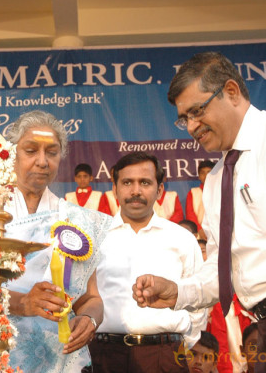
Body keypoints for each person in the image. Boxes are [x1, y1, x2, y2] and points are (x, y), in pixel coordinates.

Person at [132, 51, 266, 373]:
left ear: (232, 92)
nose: (192, 126)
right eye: (184, 118)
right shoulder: (217, 179)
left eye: (197, 111)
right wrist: (179, 291)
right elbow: (225, 268)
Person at [0, 110, 110, 373]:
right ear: (13, 153)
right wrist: (23, 304)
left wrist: (89, 319)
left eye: (52, 152)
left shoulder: (70, 218)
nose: (42, 161)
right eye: (31, 150)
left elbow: (90, 297)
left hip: (49, 355)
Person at [90, 152, 206, 373]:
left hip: (165, 357)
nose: (136, 191)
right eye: (127, 182)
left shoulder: (181, 238)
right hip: (105, 357)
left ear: (160, 190)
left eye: (145, 182)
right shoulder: (95, 238)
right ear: (115, 189)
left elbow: (199, 299)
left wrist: (182, 343)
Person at [185, 160, 216, 240]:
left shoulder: (220, 191)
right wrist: (199, 229)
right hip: (199, 232)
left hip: (217, 230)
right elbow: (190, 213)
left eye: (209, 172)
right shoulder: (193, 192)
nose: (206, 176)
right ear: (199, 176)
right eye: (202, 173)